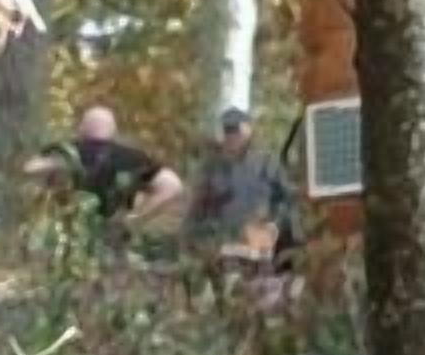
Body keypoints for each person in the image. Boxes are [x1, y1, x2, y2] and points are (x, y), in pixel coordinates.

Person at [21, 105, 185, 233]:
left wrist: (58, 166)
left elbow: (28, 170)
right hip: (112, 234)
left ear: (82, 127)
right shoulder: (133, 158)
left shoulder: (67, 151)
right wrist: (134, 219)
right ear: (113, 129)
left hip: (66, 235)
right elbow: (173, 185)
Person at [188, 105, 297, 259]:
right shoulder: (210, 169)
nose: (232, 136)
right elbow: (196, 214)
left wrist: (274, 225)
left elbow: (288, 200)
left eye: (236, 131)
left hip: (263, 242)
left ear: (247, 131)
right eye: (228, 131)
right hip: (222, 247)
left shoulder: (267, 163)